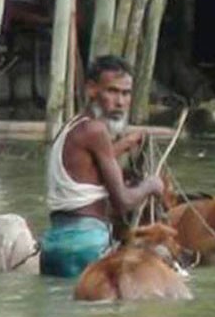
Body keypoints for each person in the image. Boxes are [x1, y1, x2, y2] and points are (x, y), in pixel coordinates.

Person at [40, 55, 164, 277]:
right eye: (112, 91)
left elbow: (87, 170)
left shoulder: (74, 126)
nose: (120, 102)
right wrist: (151, 185)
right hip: (87, 243)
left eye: (125, 93)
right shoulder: (96, 131)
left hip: (54, 245)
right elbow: (123, 202)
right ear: (91, 89)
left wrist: (123, 145)